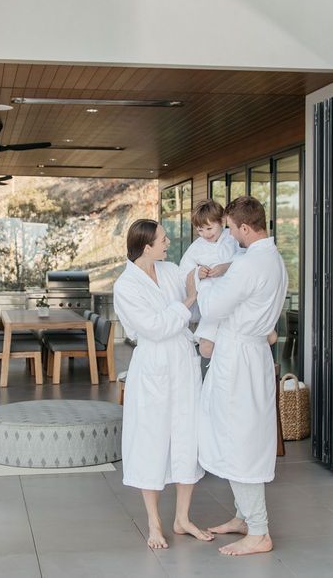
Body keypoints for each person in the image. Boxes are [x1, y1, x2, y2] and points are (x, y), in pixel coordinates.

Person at [189, 196, 288, 557]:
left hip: (239, 358)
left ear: (245, 228)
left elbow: (213, 307)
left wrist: (206, 277)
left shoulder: (247, 266)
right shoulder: (276, 260)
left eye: (231, 228)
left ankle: (259, 532)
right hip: (253, 353)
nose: (229, 234)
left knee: (240, 439)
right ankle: (244, 517)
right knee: (240, 433)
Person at [113, 219, 215, 550]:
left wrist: (199, 279)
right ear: (146, 246)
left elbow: (194, 287)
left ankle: (182, 518)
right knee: (152, 438)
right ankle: (154, 522)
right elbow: (155, 328)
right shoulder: (125, 286)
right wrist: (186, 300)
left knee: (188, 435)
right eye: (162, 238)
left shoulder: (169, 269)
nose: (168, 241)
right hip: (154, 364)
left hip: (183, 363)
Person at [178, 199, 241, 359]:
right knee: (206, 349)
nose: (206, 234)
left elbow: (246, 262)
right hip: (211, 300)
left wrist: (226, 267)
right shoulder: (196, 247)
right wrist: (198, 272)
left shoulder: (233, 239)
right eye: (200, 230)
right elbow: (184, 272)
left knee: (233, 341)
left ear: (222, 221)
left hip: (235, 300)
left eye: (209, 228)